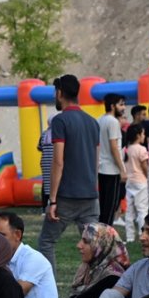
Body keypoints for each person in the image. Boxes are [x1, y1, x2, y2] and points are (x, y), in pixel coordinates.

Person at [39, 75, 101, 267]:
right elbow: (96, 161)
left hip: (66, 196)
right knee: (96, 247)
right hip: (90, 196)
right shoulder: (93, 122)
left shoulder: (60, 121)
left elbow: (58, 162)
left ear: (59, 93)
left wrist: (53, 199)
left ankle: (50, 292)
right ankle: (99, 288)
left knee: (46, 243)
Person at [30, 224, 128, 298]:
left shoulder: (113, 278)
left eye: (86, 242)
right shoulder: (90, 269)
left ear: (101, 245)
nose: (79, 245)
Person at [0, 212, 58, 298]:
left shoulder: (33, 258)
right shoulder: (0, 258)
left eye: (1, 235)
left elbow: (16, 294)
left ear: (17, 235)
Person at [98, 93, 128, 226]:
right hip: (112, 170)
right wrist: (122, 169)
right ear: (112, 106)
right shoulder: (113, 122)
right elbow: (114, 147)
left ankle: (99, 236)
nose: (123, 108)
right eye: (121, 104)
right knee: (110, 208)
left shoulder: (100, 120)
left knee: (103, 206)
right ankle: (106, 238)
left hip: (101, 168)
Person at [123, 124, 149, 243]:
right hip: (141, 183)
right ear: (138, 135)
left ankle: (129, 237)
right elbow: (145, 167)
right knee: (142, 210)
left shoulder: (126, 149)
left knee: (129, 211)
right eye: (143, 133)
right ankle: (142, 233)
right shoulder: (142, 149)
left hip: (130, 182)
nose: (144, 136)